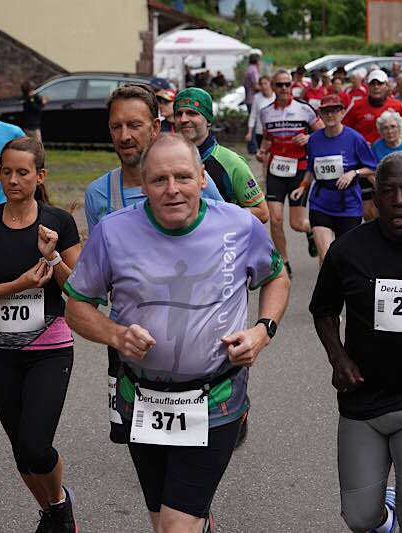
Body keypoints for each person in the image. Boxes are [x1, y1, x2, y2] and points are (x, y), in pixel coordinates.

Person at [65, 133, 290, 533]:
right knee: (164, 521)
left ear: (202, 177)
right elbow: (77, 307)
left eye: (184, 177)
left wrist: (262, 330)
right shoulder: (113, 233)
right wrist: (116, 336)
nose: (173, 190)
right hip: (143, 399)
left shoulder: (239, 226)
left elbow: (277, 277)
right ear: (143, 184)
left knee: (174, 526)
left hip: (216, 397)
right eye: (159, 180)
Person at [310, 151, 402, 533]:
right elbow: (323, 308)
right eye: (388, 191)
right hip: (363, 399)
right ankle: (383, 513)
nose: (399, 200)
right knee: (360, 518)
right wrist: (337, 357)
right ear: (374, 197)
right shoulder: (348, 251)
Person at [83, 84, 223, 445]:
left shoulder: (193, 185)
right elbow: (95, 275)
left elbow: (228, 241)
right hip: (130, 339)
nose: (125, 136)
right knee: (135, 438)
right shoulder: (100, 194)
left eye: (135, 125)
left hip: (195, 334)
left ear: (156, 128)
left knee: (198, 444)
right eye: (117, 127)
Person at [0, 138, 81, 532]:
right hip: (1, 351)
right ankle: (53, 512)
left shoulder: (57, 222)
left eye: (22, 172)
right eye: (5, 171)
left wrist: (52, 256)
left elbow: (79, 289)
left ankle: (59, 504)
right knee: (20, 452)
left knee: (35, 444)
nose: (12, 179)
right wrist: (18, 283)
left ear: (39, 175)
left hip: (50, 348)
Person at [290, 94, 377, 263]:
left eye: (334, 111)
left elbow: (372, 167)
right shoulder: (314, 140)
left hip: (349, 204)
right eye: (326, 112)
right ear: (320, 115)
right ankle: (328, 289)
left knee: (346, 258)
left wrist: (354, 173)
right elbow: (311, 168)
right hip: (321, 203)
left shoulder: (354, 138)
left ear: (342, 113)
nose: (330, 115)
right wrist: (302, 186)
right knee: (327, 257)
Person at [258, 69, 323, 277]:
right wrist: (262, 150)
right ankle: (284, 262)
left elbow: (323, 133)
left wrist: (309, 139)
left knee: (297, 223)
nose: (284, 88)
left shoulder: (305, 109)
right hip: (276, 170)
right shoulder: (266, 112)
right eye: (280, 85)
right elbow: (268, 139)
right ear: (273, 87)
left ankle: (312, 231)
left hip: (299, 171)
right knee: (275, 220)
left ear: (292, 86)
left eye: (287, 84)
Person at [174, 88, 269, 223]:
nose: (183, 119)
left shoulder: (230, 162)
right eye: (178, 114)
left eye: (192, 113)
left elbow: (262, 213)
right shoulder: (167, 161)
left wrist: (220, 213)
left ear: (209, 120)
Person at [343, 70, 402, 220]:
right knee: (368, 212)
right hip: (363, 164)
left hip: (389, 163)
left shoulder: (397, 105)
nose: (376, 87)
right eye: (372, 84)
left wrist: (398, 143)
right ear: (367, 86)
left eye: (380, 83)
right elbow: (344, 130)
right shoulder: (357, 105)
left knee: (389, 207)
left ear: (387, 86)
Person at [245, 76, 275, 155]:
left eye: (265, 83)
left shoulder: (276, 96)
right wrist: (250, 132)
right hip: (260, 132)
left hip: (274, 131)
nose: (263, 86)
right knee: (263, 155)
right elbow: (253, 116)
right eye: (261, 84)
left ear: (270, 83)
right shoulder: (257, 97)